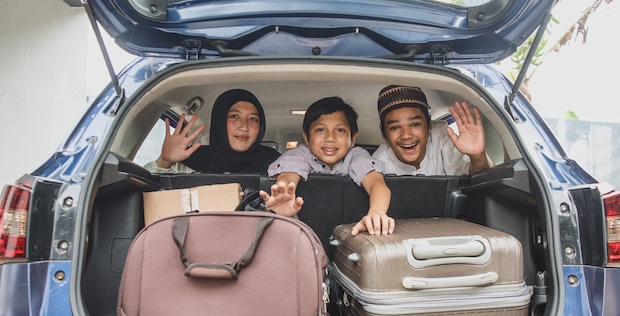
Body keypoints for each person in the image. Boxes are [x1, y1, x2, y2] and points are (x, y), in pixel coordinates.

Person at [260, 96, 395, 236]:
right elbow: (288, 176)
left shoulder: (357, 156)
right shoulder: (300, 155)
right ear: (306, 137)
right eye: (320, 130)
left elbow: (376, 184)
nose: (330, 138)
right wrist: (283, 194)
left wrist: (376, 213)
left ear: (353, 138)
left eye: (340, 130)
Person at [144, 89, 280, 174]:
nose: (244, 127)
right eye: (234, 116)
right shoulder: (192, 161)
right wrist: (164, 160)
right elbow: (146, 191)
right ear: (219, 122)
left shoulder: (275, 163)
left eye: (253, 119)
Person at [373, 85, 493, 176]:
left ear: (429, 125)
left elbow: (479, 176)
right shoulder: (379, 163)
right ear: (384, 133)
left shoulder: (441, 138)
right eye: (395, 127)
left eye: (415, 124)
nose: (406, 135)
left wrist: (477, 156)